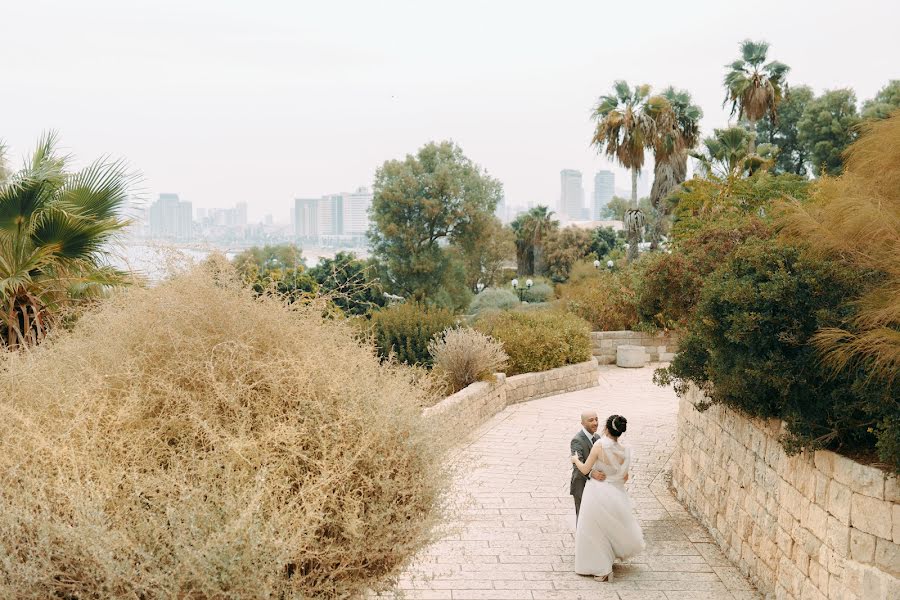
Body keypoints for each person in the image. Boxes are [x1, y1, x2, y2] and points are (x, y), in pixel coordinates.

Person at [570, 414, 644, 582]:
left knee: (594, 530)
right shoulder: (626, 451)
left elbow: (584, 468)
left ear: (606, 428)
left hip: (596, 492)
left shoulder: (599, 445)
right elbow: (625, 478)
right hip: (616, 493)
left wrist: (575, 459)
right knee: (608, 529)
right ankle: (607, 563)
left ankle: (601, 569)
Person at [569, 411, 607, 520]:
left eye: (596, 419)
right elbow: (577, 464)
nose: (595, 423)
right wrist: (592, 473)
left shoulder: (598, 437)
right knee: (582, 517)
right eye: (591, 420)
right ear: (582, 423)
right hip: (581, 484)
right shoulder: (577, 440)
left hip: (596, 485)